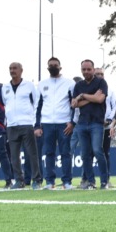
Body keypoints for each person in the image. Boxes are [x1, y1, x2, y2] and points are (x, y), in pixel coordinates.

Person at [35, 56, 75, 190]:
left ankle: (67, 182)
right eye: (50, 65)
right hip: (47, 123)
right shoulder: (41, 84)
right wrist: (37, 125)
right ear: (47, 68)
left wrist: (72, 122)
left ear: (60, 67)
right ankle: (49, 182)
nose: (53, 67)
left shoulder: (69, 83)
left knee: (65, 153)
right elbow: (38, 106)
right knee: (49, 153)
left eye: (55, 65)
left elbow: (74, 104)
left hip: (64, 123)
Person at [2, 61, 42, 190]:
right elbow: (5, 104)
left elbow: (36, 103)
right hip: (12, 125)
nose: (12, 70)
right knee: (14, 155)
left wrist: (34, 122)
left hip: (27, 124)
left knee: (32, 153)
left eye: (15, 68)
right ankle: (19, 180)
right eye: (10, 68)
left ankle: (36, 180)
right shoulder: (5, 87)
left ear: (21, 70)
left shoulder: (29, 85)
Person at [71, 59, 110, 190]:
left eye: (89, 69)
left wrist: (83, 96)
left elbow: (100, 99)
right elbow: (74, 104)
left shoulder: (101, 82)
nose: (86, 71)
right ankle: (91, 182)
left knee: (98, 151)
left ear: (93, 69)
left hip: (96, 123)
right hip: (82, 123)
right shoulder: (78, 85)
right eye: (84, 69)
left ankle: (104, 181)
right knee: (85, 154)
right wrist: (91, 97)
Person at [96, 66, 115, 186]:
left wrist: (109, 120)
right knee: (88, 153)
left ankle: (106, 179)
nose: (99, 76)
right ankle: (86, 179)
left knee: (105, 152)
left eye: (101, 74)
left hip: (106, 127)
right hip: (93, 126)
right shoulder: (90, 90)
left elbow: (115, 107)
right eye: (97, 74)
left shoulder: (111, 91)